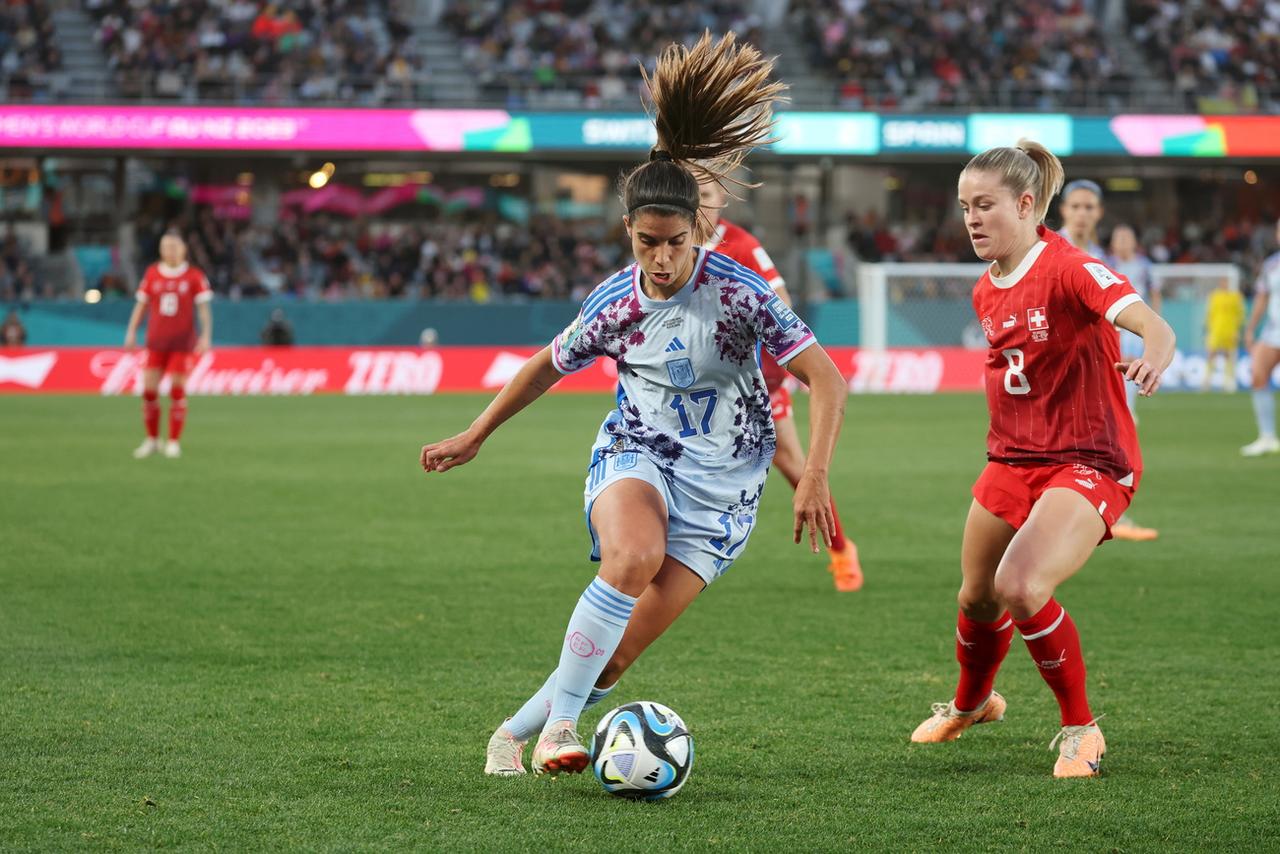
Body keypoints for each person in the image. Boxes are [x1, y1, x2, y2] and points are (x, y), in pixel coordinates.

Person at [420, 33, 846, 778]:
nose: (659, 257)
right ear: (629, 231)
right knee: (630, 557)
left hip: (726, 495)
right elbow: (543, 367)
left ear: (700, 233)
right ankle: (560, 732)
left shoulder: (741, 296)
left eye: (675, 243)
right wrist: (476, 431)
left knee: (619, 652)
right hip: (638, 453)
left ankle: (511, 736)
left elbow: (828, 379)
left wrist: (812, 472)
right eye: (646, 241)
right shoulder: (614, 304)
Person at [909, 140, 1175, 778]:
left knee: (1020, 586)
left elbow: (1154, 327)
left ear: (1026, 205)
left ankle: (1081, 730)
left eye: (985, 206)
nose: (971, 218)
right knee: (975, 598)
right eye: (964, 207)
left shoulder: (1072, 268)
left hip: (1088, 461)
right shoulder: (984, 288)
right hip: (1011, 461)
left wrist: (1153, 356)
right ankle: (974, 703)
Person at [698, 178, 862, 591]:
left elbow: (781, 302)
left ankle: (842, 550)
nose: (698, 206)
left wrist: (783, 366)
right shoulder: (674, 245)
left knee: (793, 465)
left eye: (705, 197)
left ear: (722, 199)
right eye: (691, 197)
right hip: (699, 382)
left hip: (753, 379)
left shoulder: (741, 245)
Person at [1058, 182, 1158, 542]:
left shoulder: (1103, 260)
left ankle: (1106, 512)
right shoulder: (1047, 249)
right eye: (1076, 206)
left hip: (1102, 363)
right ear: (1063, 209)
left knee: (1115, 431)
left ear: (1099, 213)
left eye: (1089, 207)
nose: (1082, 213)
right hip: (1056, 365)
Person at [123, 231, 213, 459]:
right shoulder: (152, 273)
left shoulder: (194, 276)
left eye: (174, 246)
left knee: (177, 391)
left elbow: (203, 310)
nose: (170, 251)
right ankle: (152, 440)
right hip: (155, 342)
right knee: (149, 391)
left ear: (183, 249)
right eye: (166, 246)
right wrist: (131, 331)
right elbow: (141, 305)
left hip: (182, 343)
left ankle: (173, 441)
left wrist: (205, 336)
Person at [1107, 224, 1163, 408]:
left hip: (1136, 325)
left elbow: (1155, 294)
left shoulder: (1144, 265)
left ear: (1134, 242)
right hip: (1112, 323)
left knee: (1131, 364)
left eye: (1126, 238)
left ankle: (1127, 408)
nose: (1122, 242)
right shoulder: (1105, 264)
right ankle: (1121, 409)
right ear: (1113, 243)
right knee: (1115, 366)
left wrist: (1155, 323)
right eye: (1119, 238)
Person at [1241, 218, 1280, 456]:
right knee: (1258, 373)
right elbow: (1262, 297)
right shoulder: (1271, 265)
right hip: (1274, 330)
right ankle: (1267, 436)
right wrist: (1250, 328)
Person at [1202, 277, 1245, 393]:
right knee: (1211, 354)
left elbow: (1240, 314)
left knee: (1229, 355)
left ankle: (1228, 382)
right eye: (1223, 282)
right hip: (1216, 330)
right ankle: (1207, 381)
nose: (1224, 284)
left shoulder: (1236, 297)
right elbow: (1210, 313)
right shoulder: (1215, 296)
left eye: (1226, 282)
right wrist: (1207, 328)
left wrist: (1238, 330)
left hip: (1230, 331)